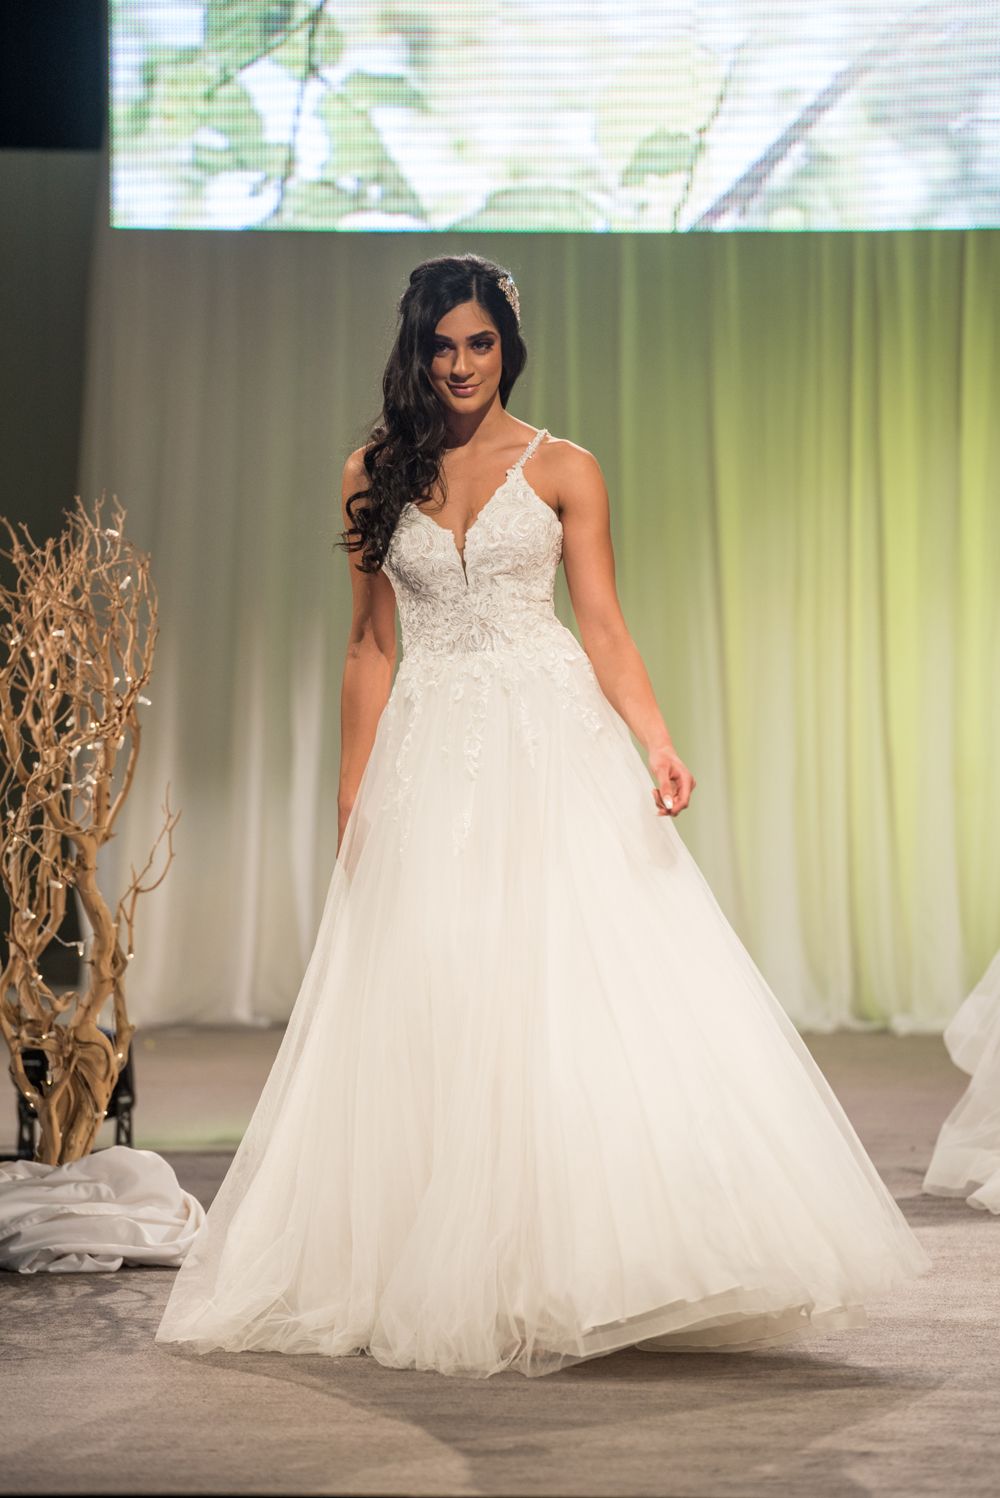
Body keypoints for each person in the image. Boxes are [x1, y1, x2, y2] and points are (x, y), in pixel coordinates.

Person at [156, 253, 930, 1379]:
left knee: (568, 983)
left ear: (506, 346)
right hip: (432, 750)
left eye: (479, 342)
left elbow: (602, 623)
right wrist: (348, 791)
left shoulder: (563, 467)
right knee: (440, 987)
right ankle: (442, 1256)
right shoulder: (372, 471)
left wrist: (656, 738)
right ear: (415, 352)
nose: (462, 364)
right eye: (442, 345)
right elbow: (369, 643)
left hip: (551, 740)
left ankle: (583, 1259)